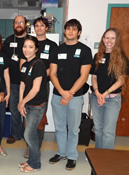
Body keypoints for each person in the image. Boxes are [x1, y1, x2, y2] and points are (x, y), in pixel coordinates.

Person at [49, 19, 92, 170]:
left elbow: (84, 76)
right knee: (60, 127)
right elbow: (53, 74)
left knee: (74, 129)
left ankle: (72, 156)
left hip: (75, 97)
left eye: (74, 29)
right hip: (57, 95)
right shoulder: (57, 50)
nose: (71, 31)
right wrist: (62, 92)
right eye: (68, 28)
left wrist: (70, 93)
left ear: (79, 32)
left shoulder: (85, 51)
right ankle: (62, 152)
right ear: (64, 31)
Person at [23, 16, 58, 158]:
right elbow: (23, 63)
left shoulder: (52, 45)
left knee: (39, 117)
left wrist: (41, 77)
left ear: (46, 28)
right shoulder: (29, 42)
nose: (39, 28)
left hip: (43, 85)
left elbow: (53, 66)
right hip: (28, 83)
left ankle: (37, 144)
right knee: (27, 116)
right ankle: (28, 145)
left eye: (42, 26)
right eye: (36, 26)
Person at [90, 28, 128, 149]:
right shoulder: (98, 55)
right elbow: (94, 76)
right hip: (97, 98)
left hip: (112, 99)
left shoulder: (122, 58)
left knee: (108, 132)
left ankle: (106, 160)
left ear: (117, 40)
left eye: (113, 38)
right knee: (99, 130)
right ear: (103, 39)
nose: (109, 41)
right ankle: (98, 157)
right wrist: (97, 92)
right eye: (107, 37)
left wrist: (105, 94)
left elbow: (121, 80)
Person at [18, 35, 47, 172]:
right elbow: (22, 85)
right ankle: (31, 160)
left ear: (36, 49)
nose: (27, 50)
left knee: (29, 135)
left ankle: (35, 164)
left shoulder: (39, 64)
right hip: (27, 104)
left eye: (30, 47)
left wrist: (23, 102)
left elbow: (35, 89)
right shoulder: (24, 64)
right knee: (30, 134)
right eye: (25, 46)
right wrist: (20, 102)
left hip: (36, 106)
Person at [2, 15, 28, 144]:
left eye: (21, 22)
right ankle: (16, 134)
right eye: (16, 22)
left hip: (28, 83)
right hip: (12, 82)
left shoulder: (30, 40)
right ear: (13, 25)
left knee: (28, 109)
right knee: (14, 109)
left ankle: (28, 135)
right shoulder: (8, 41)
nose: (18, 24)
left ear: (25, 25)